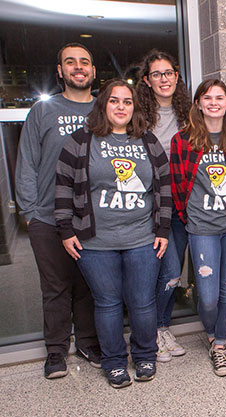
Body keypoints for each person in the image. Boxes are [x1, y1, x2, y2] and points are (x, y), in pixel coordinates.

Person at [55, 79, 172, 388]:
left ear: (134, 108)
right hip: (95, 242)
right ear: (103, 105)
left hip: (143, 238)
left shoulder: (147, 141)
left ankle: (145, 355)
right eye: (114, 101)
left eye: (127, 102)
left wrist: (162, 228)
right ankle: (115, 362)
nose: (121, 107)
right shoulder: (80, 141)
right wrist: (66, 230)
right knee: (107, 303)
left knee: (143, 302)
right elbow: (64, 187)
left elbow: (163, 185)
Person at [15, 42, 100, 379]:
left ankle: (88, 342)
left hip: (92, 218)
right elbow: (27, 164)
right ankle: (55, 351)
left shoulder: (104, 110)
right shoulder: (43, 111)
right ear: (60, 71)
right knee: (55, 287)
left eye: (84, 62)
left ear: (93, 72)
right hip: (47, 217)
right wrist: (31, 212)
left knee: (88, 285)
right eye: (70, 62)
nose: (78, 67)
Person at [169, 79, 226, 377]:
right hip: (202, 228)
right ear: (199, 104)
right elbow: (177, 186)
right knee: (208, 295)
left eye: (220, 97)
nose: (213, 102)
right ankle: (217, 335)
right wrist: (188, 218)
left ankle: (218, 345)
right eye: (207, 97)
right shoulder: (183, 141)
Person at [137, 49, 192, 361]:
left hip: (183, 205)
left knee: (173, 272)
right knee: (166, 269)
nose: (163, 79)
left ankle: (161, 328)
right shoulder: (139, 118)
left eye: (168, 72)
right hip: (152, 207)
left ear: (176, 76)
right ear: (147, 80)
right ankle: (154, 331)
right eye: (156, 74)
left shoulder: (189, 114)